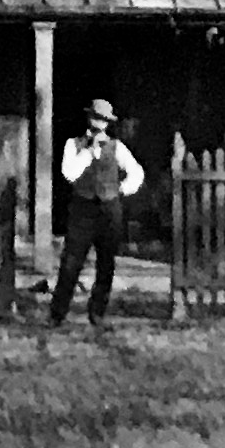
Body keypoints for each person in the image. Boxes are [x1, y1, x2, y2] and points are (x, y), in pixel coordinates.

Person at [51, 99, 145, 326]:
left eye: (103, 120)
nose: (99, 123)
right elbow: (69, 174)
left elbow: (136, 172)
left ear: (108, 123)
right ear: (89, 118)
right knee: (71, 262)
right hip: (82, 209)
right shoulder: (73, 144)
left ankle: (97, 313)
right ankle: (57, 314)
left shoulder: (116, 147)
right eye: (96, 118)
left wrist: (122, 189)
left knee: (106, 264)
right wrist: (88, 152)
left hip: (109, 209)